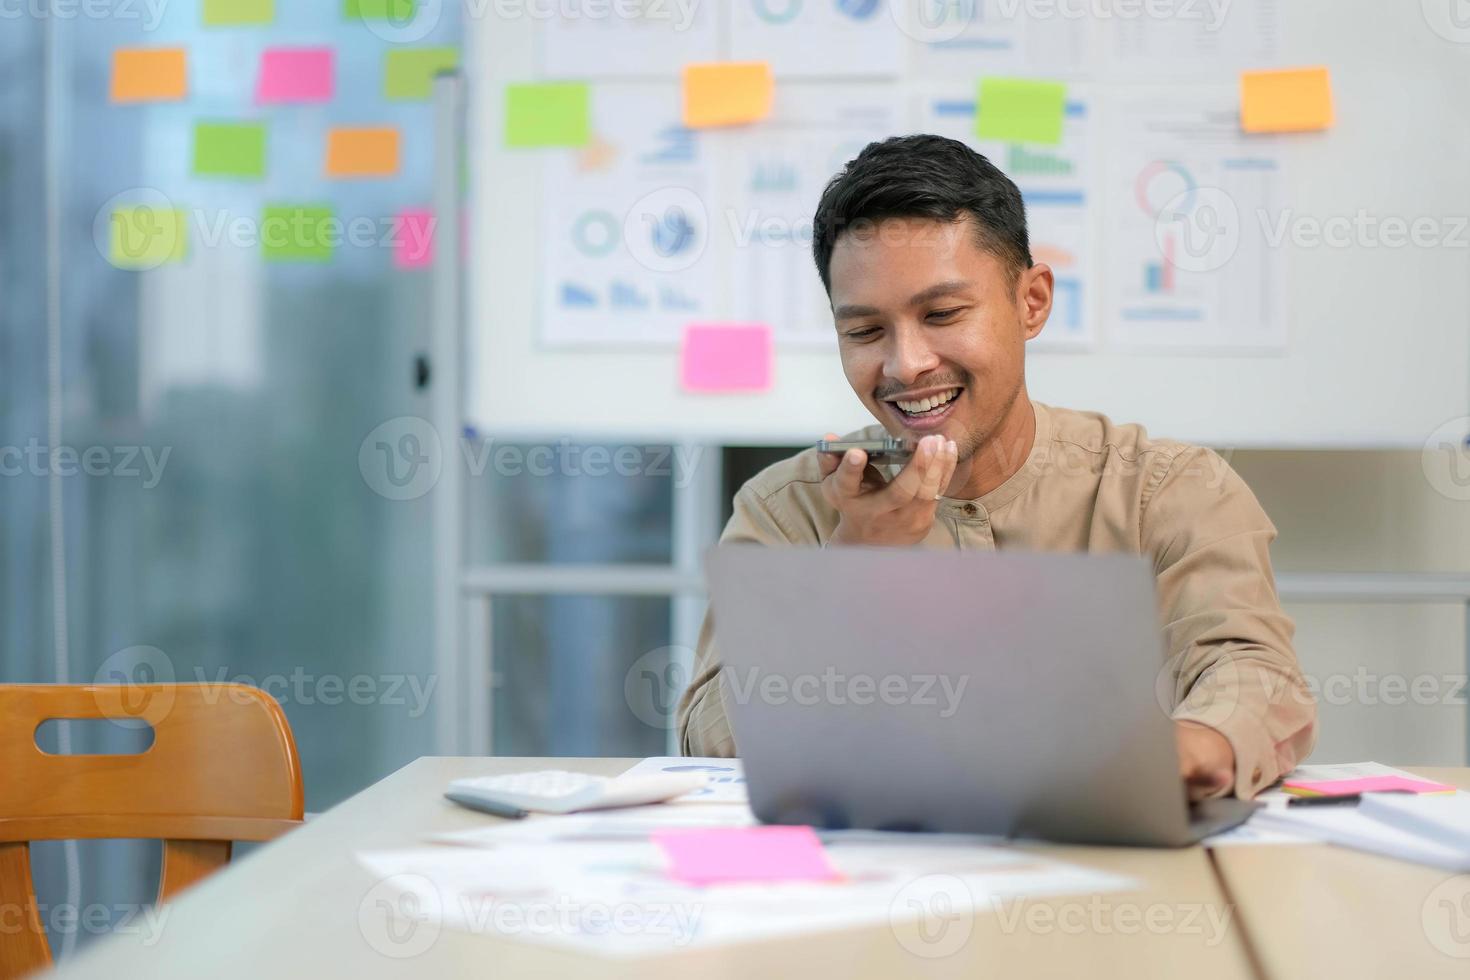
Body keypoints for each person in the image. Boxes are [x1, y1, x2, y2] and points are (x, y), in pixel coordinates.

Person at [676, 134, 1317, 800]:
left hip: (1107, 867)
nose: (905, 364)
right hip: (873, 876)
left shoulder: (1169, 491)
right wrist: (852, 569)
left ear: (1032, 301)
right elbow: (709, 736)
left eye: (943, 314)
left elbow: (1254, 675)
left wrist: (1188, 750)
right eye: (865, 331)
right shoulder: (791, 506)